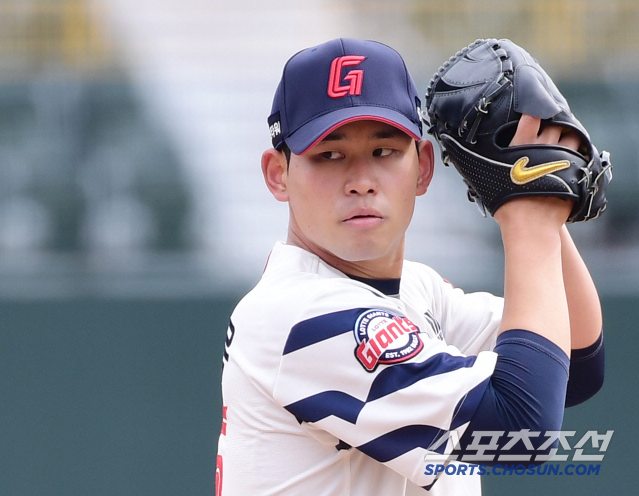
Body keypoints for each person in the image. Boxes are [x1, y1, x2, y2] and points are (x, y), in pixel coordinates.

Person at [215, 38, 604, 496]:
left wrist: (536, 193)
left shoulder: (416, 289)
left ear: (422, 167)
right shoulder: (300, 316)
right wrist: (527, 212)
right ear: (278, 174)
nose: (361, 182)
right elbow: (522, 433)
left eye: (384, 151)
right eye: (329, 155)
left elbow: (575, 365)